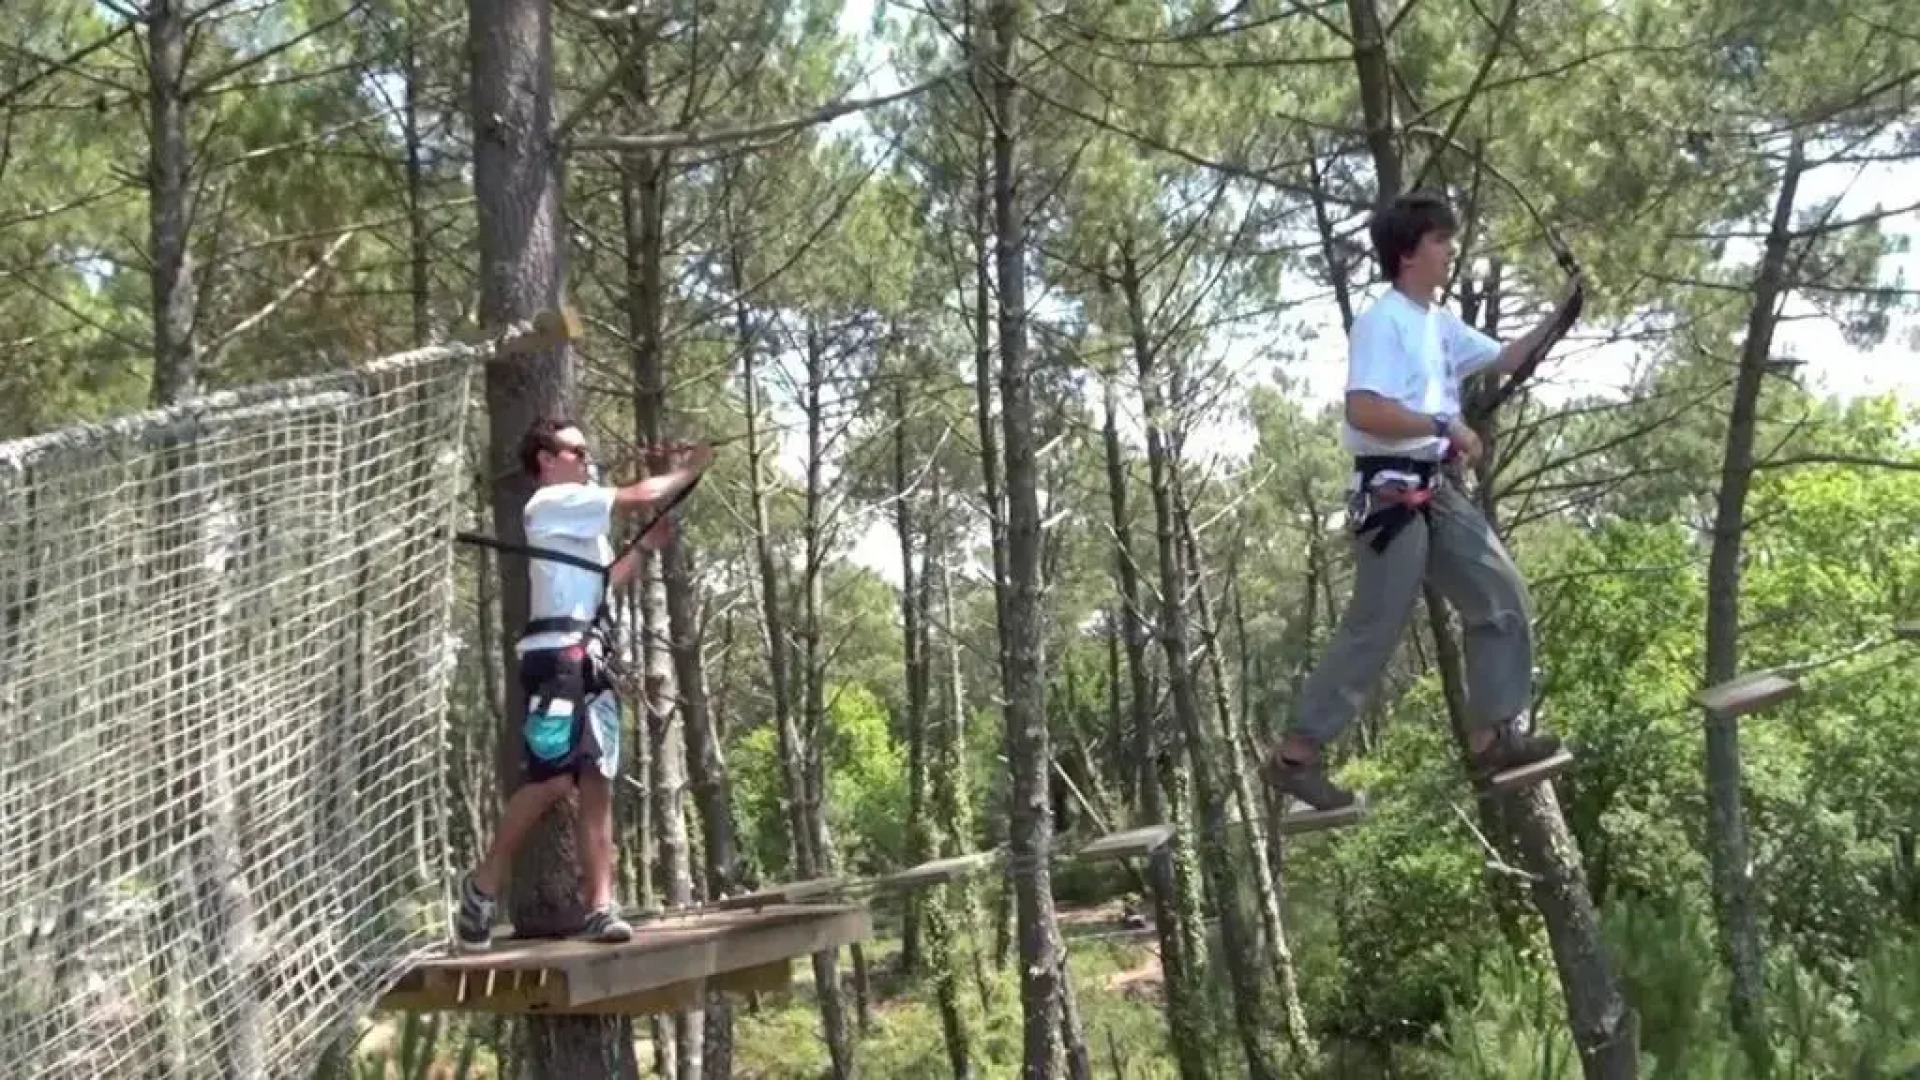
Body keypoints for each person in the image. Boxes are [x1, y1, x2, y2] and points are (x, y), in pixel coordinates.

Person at [1265, 191, 1583, 813]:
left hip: (1433, 489)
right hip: (1390, 491)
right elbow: (1365, 410)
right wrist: (1446, 428)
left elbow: (1506, 356)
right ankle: (1296, 756)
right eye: (1440, 240)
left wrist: (1560, 311)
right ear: (1410, 253)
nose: (1450, 250)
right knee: (1376, 625)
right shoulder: (1382, 322)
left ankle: (1493, 737)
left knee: (1501, 595)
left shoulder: (1438, 324)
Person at [452, 417, 712, 951]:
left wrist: (642, 550)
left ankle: (600, 906)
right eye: (576, 449)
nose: (586, 457)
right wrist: (687, 469)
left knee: (597, 781)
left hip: (592, 659)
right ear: (546, 459)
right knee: (551, 781)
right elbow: (639, 495)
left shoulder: (582, 526)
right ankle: (482, 885)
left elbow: (603, 580)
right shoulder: (549, 503)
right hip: (556, 660)